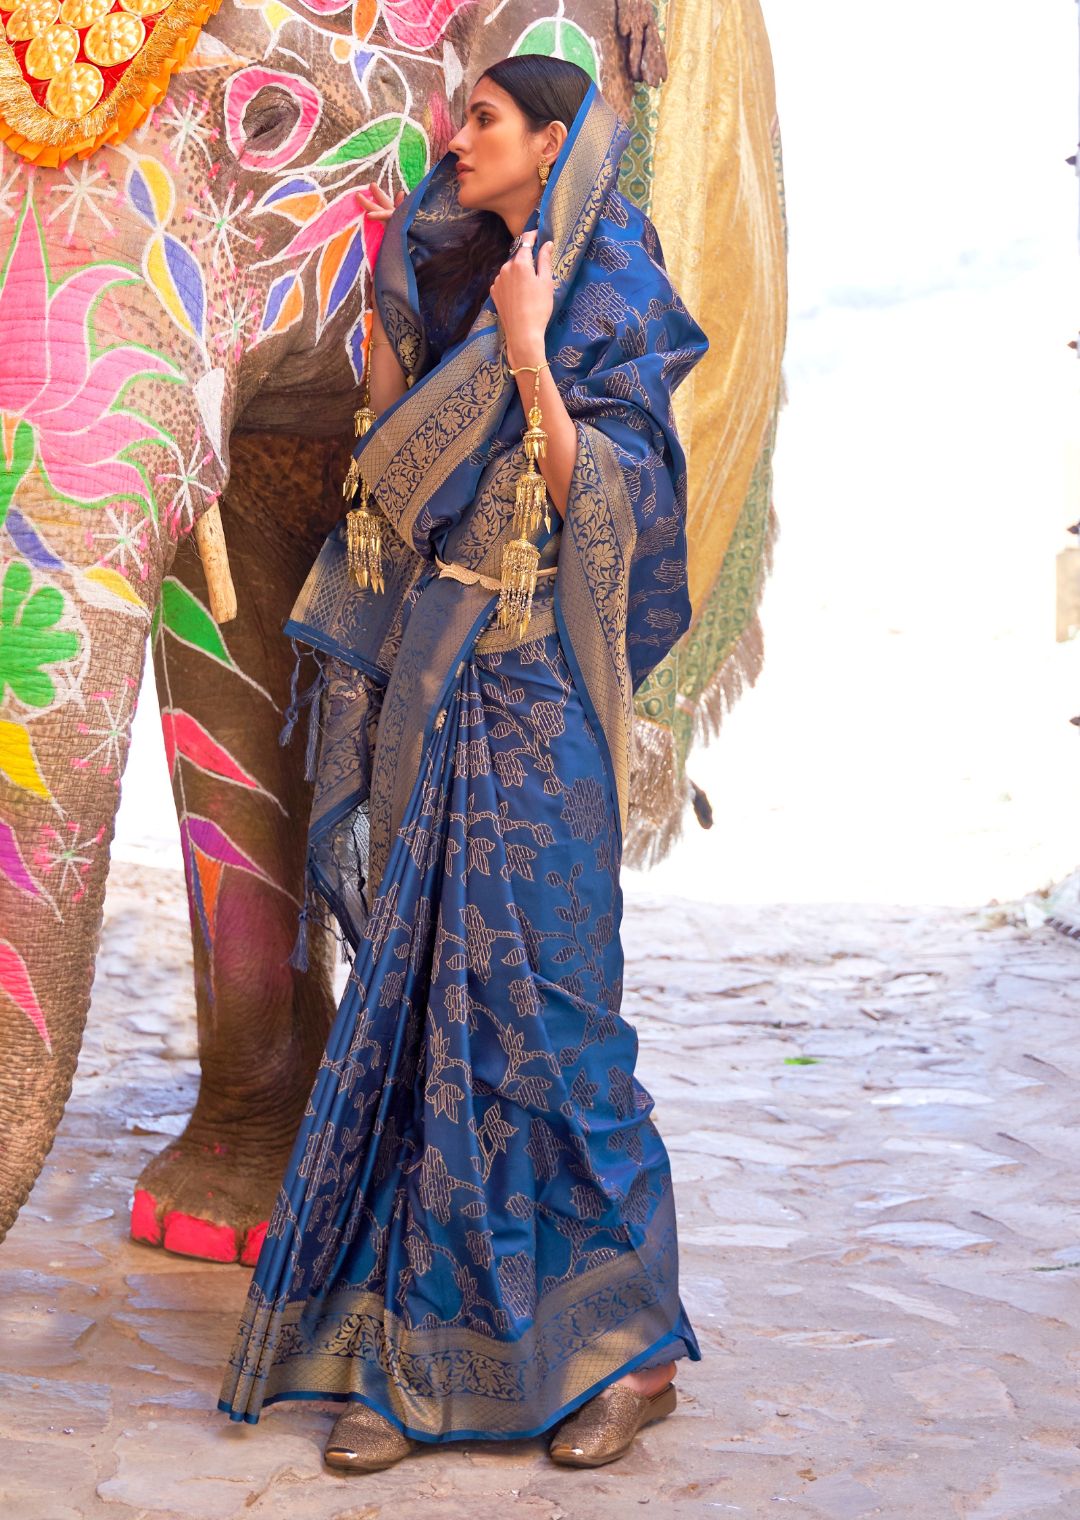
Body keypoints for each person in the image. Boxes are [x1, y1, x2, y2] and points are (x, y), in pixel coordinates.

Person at [216, 54, 709, 1472]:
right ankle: (413, 1362)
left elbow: (617, 496)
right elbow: (384, 473)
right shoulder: (456, 285)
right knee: (431, 1020)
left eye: (483, 120)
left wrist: (534, 346)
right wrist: (432, 309)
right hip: (438, 694)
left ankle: (632, 1354)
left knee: (553, 1026)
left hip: (541, 699)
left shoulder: (602, 287)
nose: (455, 137)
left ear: (555, 141)